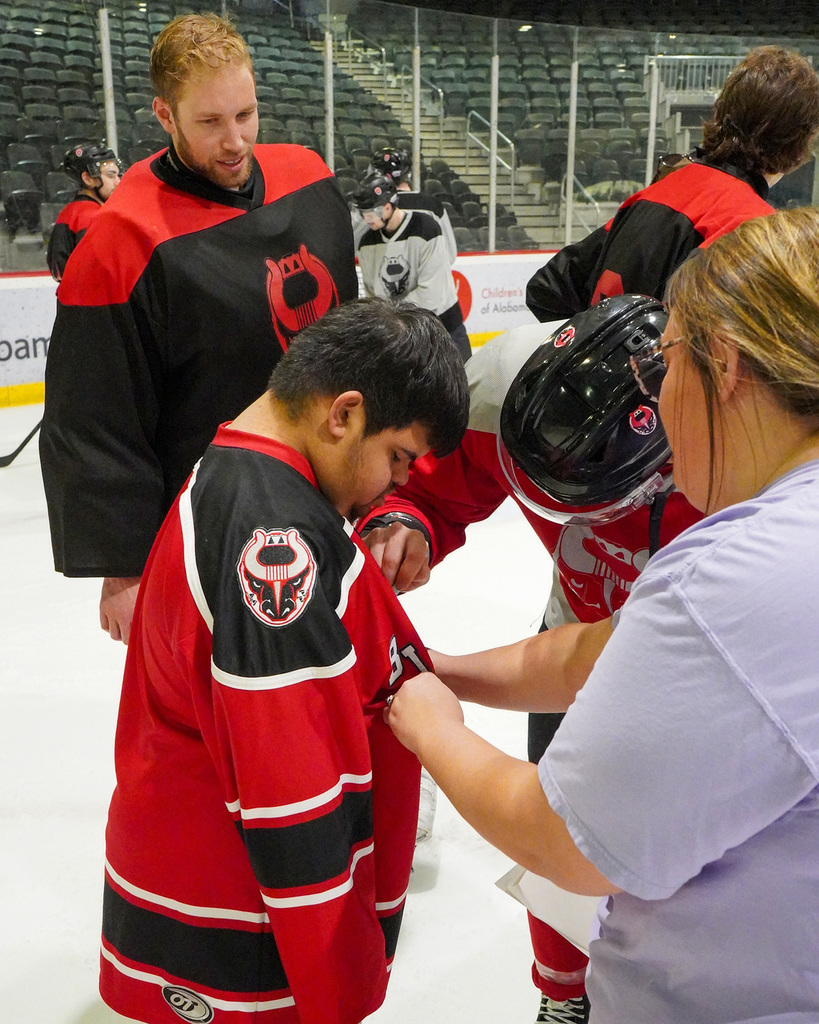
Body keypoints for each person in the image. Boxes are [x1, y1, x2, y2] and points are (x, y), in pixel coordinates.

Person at [386, 205, 819, 1024]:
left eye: (670, 364)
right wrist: (447, 672)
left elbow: (567, 842)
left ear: (722, 365)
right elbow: (609, 651)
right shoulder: (776, 539)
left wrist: (433, 727)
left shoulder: (735, 580)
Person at [100, 298, 470, 1024]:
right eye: (396, 457)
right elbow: (288, 791)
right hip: (244, 912)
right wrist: (334, 983)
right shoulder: (272, 539)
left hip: (207, 863)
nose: (395, 487)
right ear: (344, 415)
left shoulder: (248, 471)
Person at [39, 13, 358, 646]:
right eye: (210, 123)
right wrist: (122, 569)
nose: (235, 141)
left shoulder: (310, 178)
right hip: (205, 526)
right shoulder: (121, 240)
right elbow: (96, 414)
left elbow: (348, 337)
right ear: (165, 116)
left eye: (246, 114)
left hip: (325, 500)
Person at [526, 45, 819, 323]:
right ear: (798, 141)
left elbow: (549, 286)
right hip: (666, 377)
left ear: (721, 112)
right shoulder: (753, 225)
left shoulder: (658, 191)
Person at [352, 170, 471, 363]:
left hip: (444, 327)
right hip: (403, 336)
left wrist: (391, 318)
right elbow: (375, 296)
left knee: (463, 388)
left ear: (389, 206)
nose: (368, 219)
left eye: (372, 211)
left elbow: (430, 295)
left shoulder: (426, 228)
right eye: (364, 213)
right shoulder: (367, 244)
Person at [362, 146, 458, 263]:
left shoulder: (371, 207)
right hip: (425, 277)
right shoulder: (432, 205)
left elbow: (352, 245)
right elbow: (449, 255)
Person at [46, 143, 122, 281]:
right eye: (110, 176)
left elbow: (58, 271)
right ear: (88, 179)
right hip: (96, 301)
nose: (118, 182)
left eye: (118, 175)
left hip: (69, 299)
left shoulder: (67, 213)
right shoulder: (95, 216)